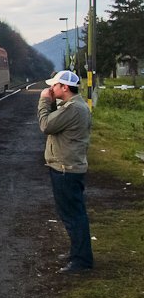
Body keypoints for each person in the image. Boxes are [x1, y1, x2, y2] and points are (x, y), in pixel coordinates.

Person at [37, 70, 94, 273]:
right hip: (65, 167)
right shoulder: (72, 107)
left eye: (54, 86)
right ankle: (77, 252)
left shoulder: (74, 109)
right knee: (71, 213)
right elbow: (55, 121)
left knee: (73, 215)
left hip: (66, 169)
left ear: (64, 87)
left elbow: (46, 125)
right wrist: (51, 103)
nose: (51, 89)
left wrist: (44, 101)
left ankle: (82, 261)